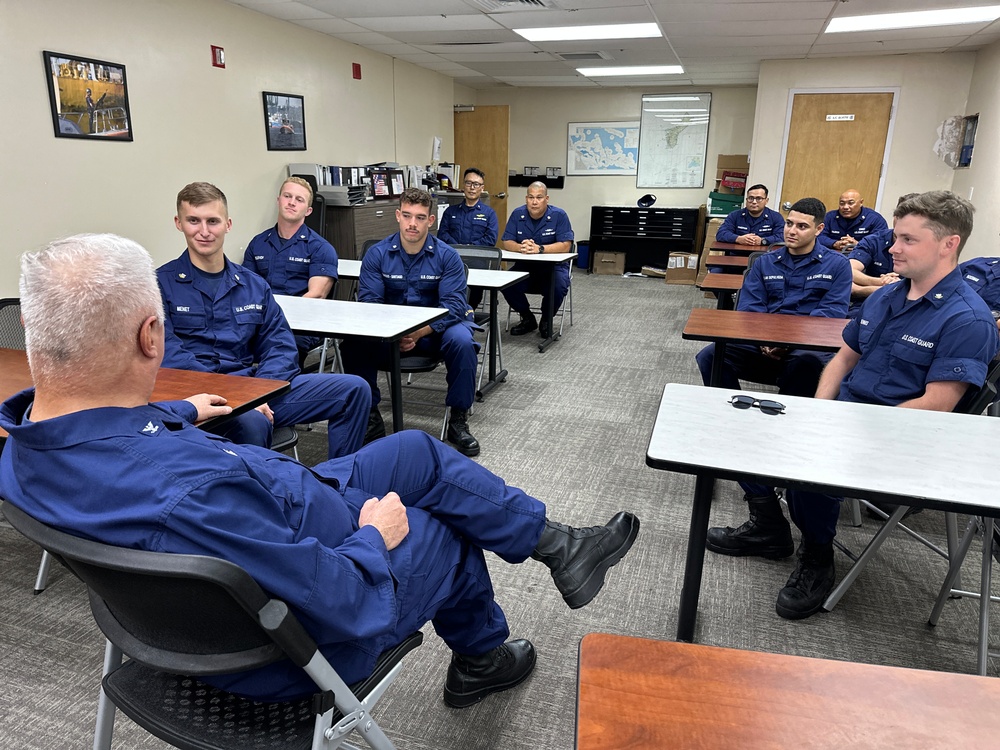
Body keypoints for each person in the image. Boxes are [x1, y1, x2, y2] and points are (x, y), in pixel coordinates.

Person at [0, 233, 641, 707]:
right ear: (151, 337)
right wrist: (376, 537)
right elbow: (342, 601)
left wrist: (179, 409)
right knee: (443, 529)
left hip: (276, 511)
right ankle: (480, 661)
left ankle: (560, 545)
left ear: (31, 328)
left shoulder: (23, 446)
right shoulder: (190, 494)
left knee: (415, 453)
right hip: (284, 645)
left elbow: (122, 434)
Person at [707, 191, 999, 620]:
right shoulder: (887, 296)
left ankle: (818, 556)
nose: (892, 248)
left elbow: (936, 404)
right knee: (746, 428)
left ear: (948, 244)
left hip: (901, 437)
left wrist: (842, 428)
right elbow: (844, 357)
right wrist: (820, 410)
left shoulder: (966, 320)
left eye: (906, 240)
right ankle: (769, 526)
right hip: (848, 416)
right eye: (894, 238)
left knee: (808, 464)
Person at [158, 181, 370, 459]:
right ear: (179, 223)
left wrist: (260, 392)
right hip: (199, 399)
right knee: (252, 422)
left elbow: (280, 345)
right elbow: (168, 354)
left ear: (228, 224)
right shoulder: (159, 285)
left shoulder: (252, 284)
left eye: (213, 221)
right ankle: (261, 495)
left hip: (256, 390)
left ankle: (339, 485)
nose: (204, 231)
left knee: (354, 390)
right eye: (194, 221)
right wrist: (240, 397)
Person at [340, 187, 482, 456]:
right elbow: (369, 305)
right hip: (389, 334)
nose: (412, 224)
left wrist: (418, 332)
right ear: (398, 216)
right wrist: (394, 333)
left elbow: (454, 306)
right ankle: (370, 416)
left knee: (463, 341)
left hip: (435, 334)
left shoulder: (447, 256)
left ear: (430, 220)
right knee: (352, 342)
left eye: (419, 217)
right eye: (407, 216)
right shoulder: (377, 254)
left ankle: (458, 419)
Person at [695, 197, 852, 396]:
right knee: (710, 356)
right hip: (764, 343)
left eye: (802, 226)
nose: (792, 231)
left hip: (806, 346)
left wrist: (787, 341)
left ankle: (783, 419)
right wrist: (765, 340)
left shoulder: (837, 265)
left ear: (819, 229)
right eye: (789, 224)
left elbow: (831, 313)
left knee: (807, 364)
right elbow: (750, 307)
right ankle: (733, 410)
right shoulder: (765, 262)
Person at [242, 176, 339, 365]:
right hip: (260, 321)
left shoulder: (320, 248)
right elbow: (246, 290)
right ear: (278, 200)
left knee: (279, 350)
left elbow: (316, 296)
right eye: (287, 196)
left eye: (299, 199)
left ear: (308, 210)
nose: (292, 202)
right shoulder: (258, 243)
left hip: (300, 325)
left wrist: (273, 318)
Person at [501, 182, 575, 339]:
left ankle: (546, 320)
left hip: (553, 268)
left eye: (539, 197)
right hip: (525, 266)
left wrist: (540, 249)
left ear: (546, 199)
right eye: (531, 197)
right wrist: (521, 247)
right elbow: (507, 241)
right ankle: (527, 318)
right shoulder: (517, 214)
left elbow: (566, 245)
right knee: (504, 283)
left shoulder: (559, 215)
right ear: (526, 198)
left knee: (559, 284)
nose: (534, 202)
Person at [436, 167, 499, 311]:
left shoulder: (489, 214)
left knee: (472, 298)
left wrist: (469, 248)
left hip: (477, 263)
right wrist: (458, 248)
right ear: (463, 185)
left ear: (482, 188)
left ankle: (466, 314)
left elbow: (490, 239)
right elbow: (442, 236)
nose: (472, 188)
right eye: (469, 183)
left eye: (476, 184)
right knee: (446, 293)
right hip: (452, 261)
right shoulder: (450, 211)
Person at [818, 189, 889, 252]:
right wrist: (834, 243)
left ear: (861, 202)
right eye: (842, 203)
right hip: (833, 255)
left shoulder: (875, 219)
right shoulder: (829, 217)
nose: (845, 207)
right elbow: (818, 236)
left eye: (850, 203)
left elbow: (881, 242)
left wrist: (858, 244)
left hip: (862, 256)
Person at [714, 184, 785, 246]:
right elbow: (721, 234)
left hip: (764, 257)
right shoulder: (734, 216)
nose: (754, 202)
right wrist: (738, 239)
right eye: (751, 198)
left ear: (766, 201)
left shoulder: (776, 217)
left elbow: (782, 237)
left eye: (759, 198)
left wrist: (762, 241)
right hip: (737, 255)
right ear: (746, 200)